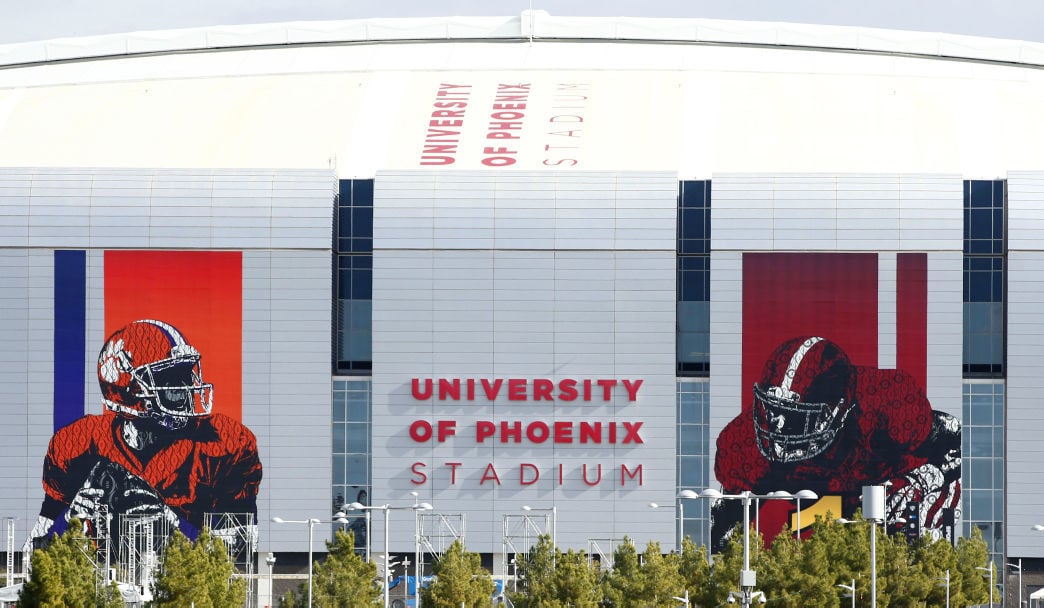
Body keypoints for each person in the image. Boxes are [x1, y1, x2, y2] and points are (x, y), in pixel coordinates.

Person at [25, 319, 262, 554]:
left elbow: (242, 550)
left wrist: (173, 527)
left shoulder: (225, 441)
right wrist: (70, 521)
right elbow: (32, 555)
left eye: (186, 375)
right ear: (128, 387)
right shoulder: (79, 442)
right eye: (169, 378)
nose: (186, 389)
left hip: (184, 585)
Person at [711, 335, 961, 549]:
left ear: (839, 410)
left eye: (795, 418)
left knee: (899, 507)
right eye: (773, 412)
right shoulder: (742, 442)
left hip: (878, 487)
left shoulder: (887, 403)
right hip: (826, 502)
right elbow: (726, 524)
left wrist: (924, 478)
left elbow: (952, 437)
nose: (777, 428)